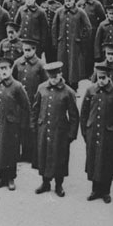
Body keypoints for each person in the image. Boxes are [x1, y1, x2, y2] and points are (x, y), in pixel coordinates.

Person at [80, 61, 113, 203]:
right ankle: (95, 190)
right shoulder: (90, 91)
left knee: (107, 162)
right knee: (94, 161)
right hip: (93, 132)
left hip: (109, 135)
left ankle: (106, 191)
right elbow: (84, 113)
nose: (101, 81)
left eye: (104, 78)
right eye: (99, 78)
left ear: (109, 78)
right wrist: (85, 131)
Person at [0, 55, 31, 190]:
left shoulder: (17, 86)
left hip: (11, 125)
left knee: (10, 151)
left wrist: (21, 124)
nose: (3, 71)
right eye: (0, 69)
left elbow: (25, 106)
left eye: (6, 68)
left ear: (11, 70)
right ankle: (2, 177)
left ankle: (11, 178)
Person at [33, 61, 79, 197]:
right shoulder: (41, 88)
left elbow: (74, 115)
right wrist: (34, 126)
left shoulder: (68, 92)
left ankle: (59, 184)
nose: (53, 80)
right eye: (50, 77)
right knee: (44, 156)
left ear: (60, 74)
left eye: (55, 77)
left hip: (60, 132)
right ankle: (45, 183)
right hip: (44, 129)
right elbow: (35, 109)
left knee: (60, 158)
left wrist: (71, 134)